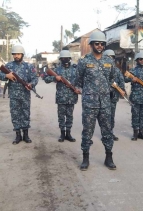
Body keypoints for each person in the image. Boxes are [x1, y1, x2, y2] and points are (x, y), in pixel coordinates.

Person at [75, 31, 116, 171]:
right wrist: (81, 90)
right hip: (89, 104)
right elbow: (78, 81)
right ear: (91, 44)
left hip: (105, 103)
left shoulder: (109, 61)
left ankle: (109, 157)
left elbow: (112, 79)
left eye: (102, 44)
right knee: (87, 131)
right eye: (97, 43)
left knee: (107, 131)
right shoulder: (84, 61)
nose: (99, 46)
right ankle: (85, 158)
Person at [0, 45, 38, 144]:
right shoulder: (9, 66)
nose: (16, 56)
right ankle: (18, 136)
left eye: (18, 54)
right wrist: (6, 75)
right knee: (15, 114)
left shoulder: (29, 66)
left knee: (25, 114)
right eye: (15, 54)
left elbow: (35, 78)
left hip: (25, 95)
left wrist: (30, 84)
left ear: (22, 55)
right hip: (14, 95)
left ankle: (26, 135)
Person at [44, 50, 78, 143]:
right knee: (61, 116)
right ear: (60, 59)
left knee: (70, 116)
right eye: (63, 58)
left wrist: (77, 88)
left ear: (70, 59)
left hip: (72, 96)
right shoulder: (57, 70)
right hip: (61, 97)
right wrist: (54, 77)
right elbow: (46, 79)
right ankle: (62, 134)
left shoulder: (75, 69)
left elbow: (80, 81)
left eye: (66, 58)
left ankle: (68, 134)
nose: (65, 59)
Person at [125, 51, 143, 141]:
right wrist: (132, 79)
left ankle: (141, 132)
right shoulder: (133, 70)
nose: (142, 61)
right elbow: (125, 78)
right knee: (135, 115)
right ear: (137, 60)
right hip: (135, 97)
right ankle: (135, 133)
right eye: (140, 59)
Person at [104, 49, 125, 141]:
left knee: (111, 115)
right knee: (104, 116)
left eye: (112, 58)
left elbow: (121, 81)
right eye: (108, 57)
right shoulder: (101, 70)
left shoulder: (117, 70)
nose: (111, 59)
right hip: (103, 97)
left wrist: (122, 90)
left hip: (113, 97)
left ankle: (110, 132)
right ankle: (104, 133)